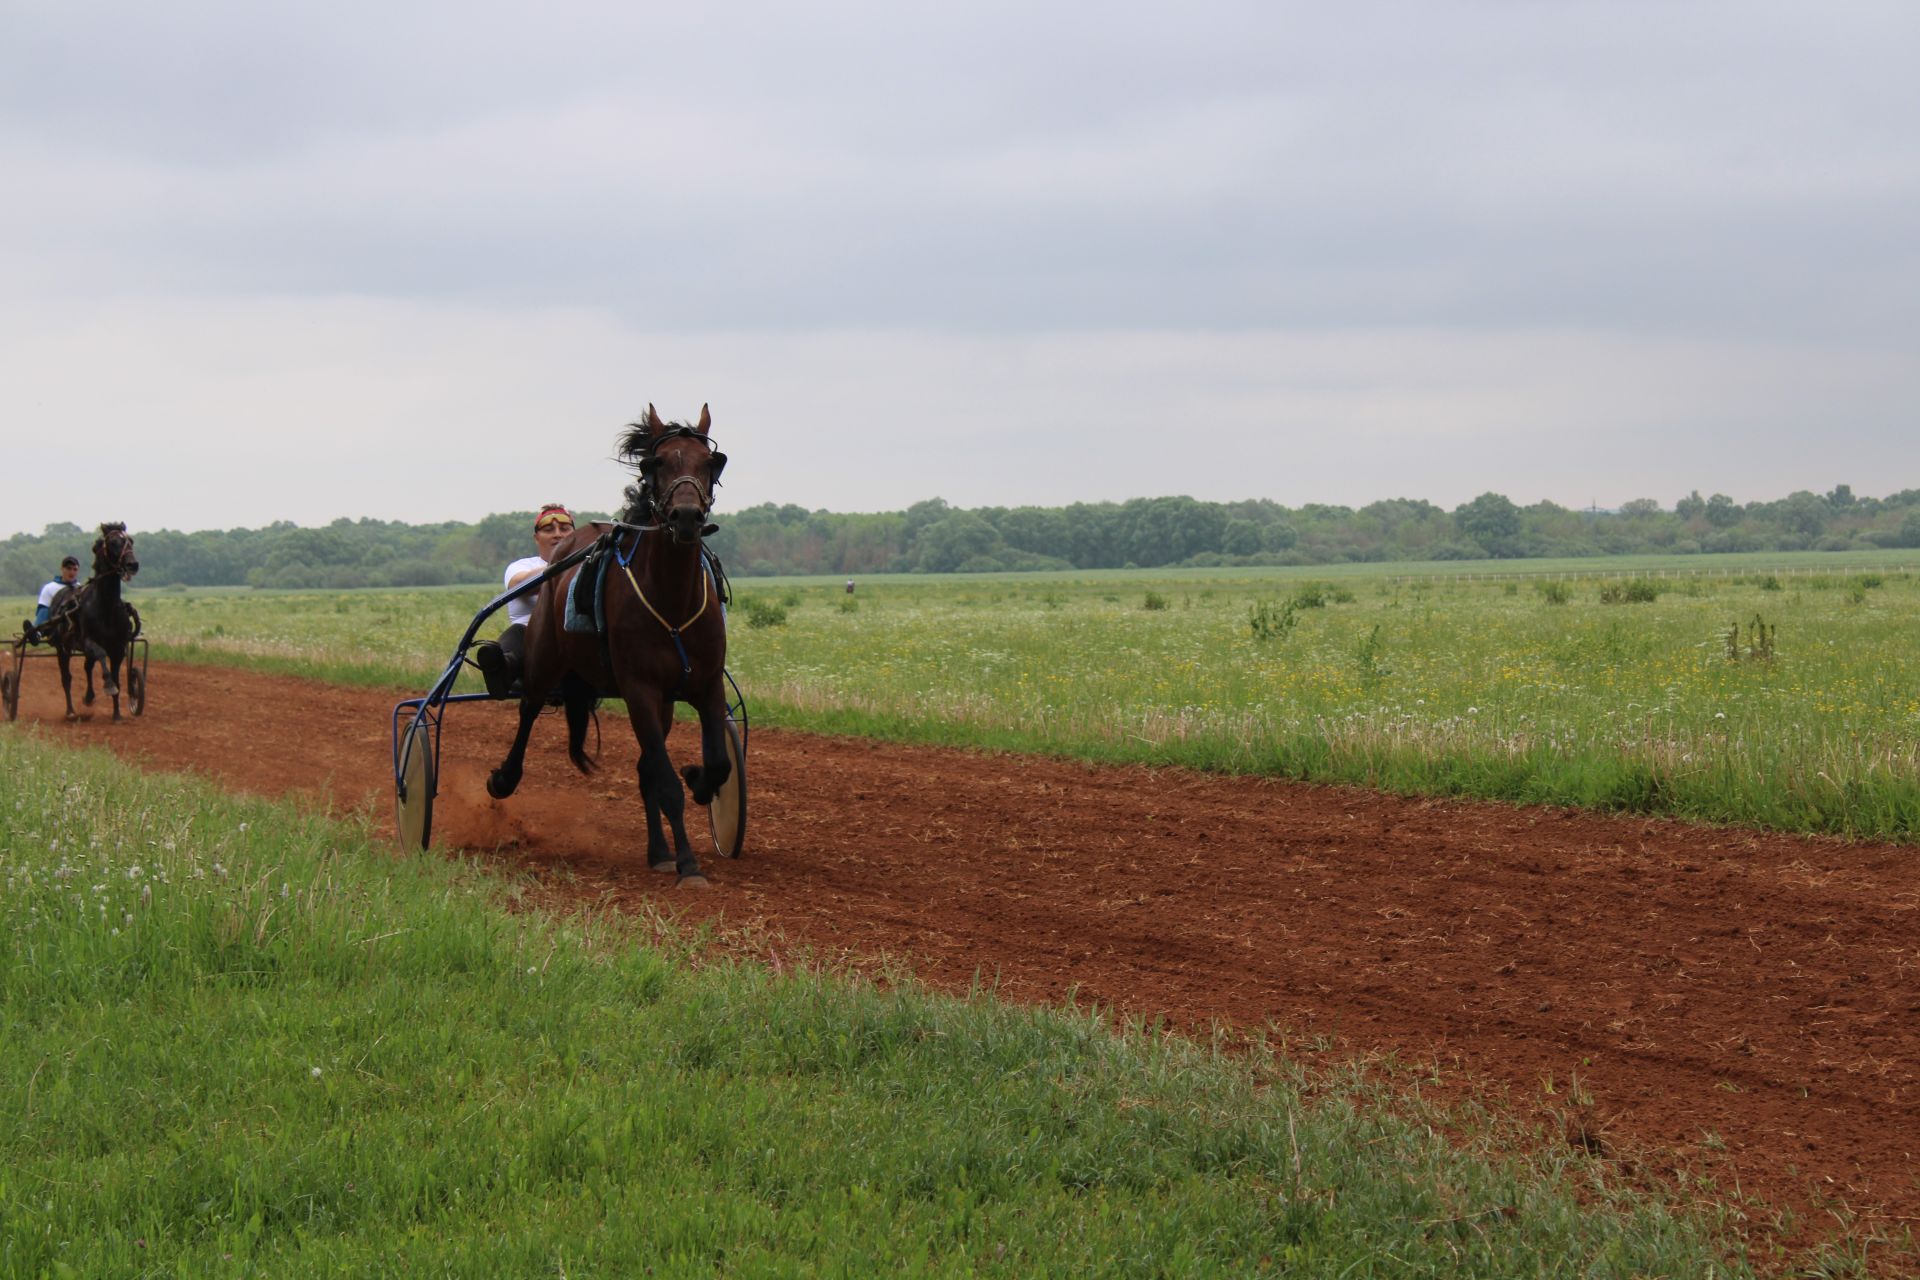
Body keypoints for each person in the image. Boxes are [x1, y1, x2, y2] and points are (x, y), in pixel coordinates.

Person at [473, 504, 574, 698]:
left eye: (564, 529)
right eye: (548, 529)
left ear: (575, 534)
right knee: (518, 632)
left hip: (573, 640)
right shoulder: (521, 566)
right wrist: (563, 564)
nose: (557, 534)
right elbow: (520, 585)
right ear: (536, 538)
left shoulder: (591, 564)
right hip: (530, 643)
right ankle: (503, 667)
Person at [22, 555, 80, 644]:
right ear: (62, 569)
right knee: (45, 610)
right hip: (54, 624)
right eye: (69, 568)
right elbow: (43, 612)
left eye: (75, 569)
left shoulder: (80, 588)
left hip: (77, 624)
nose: (72, 572)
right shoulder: (50, 587)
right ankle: (36, 633)